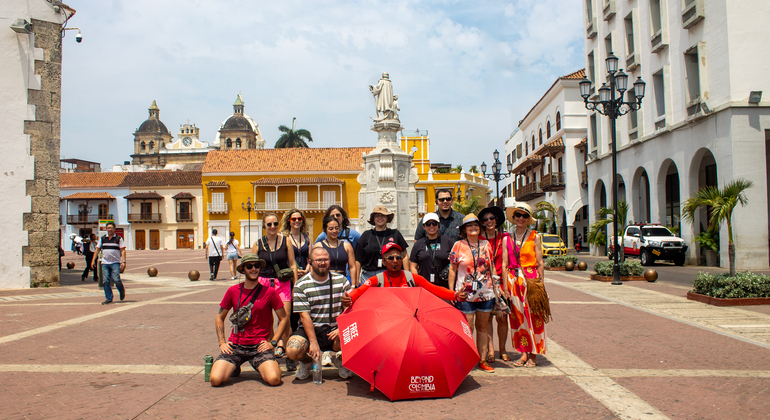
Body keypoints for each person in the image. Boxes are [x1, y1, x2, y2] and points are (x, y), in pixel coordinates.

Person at [210, 254, 289, 387]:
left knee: (274, 379)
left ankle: (267, 364)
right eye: (249, 266)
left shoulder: (269, 292)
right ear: (242, 269)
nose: (253, 269)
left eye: (256, 266)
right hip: (236, 345)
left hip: (259, 346)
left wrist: (273, 342)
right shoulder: (233, 291)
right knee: (215, 380)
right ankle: (235, 365)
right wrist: (222, 342)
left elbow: (284, 318)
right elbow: (220, 316)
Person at [286, 247, 353, 380]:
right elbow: (304, 316)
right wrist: (313, 342)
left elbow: (349, 309)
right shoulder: (301, 285)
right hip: (312, 328)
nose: (322, 263)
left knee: (353, 337)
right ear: (310, 261)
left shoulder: (342, 281)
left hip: (334, 328)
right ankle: (306, 362)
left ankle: (342, 360)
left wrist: (341, 328)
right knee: (292, 350)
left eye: (325, 260)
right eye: (318, 260)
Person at [448, 214, 497, 373]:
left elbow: (492, 268)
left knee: (482, 327)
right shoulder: (458, 245)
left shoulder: (486, 244)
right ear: (464, 229)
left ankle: (482, 360)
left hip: (485, 293)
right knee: (467, 328)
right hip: (465, 294)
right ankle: (466, 360)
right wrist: (451, 293)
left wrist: (497, 287)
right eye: (469, 226)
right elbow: (452, 270)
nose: (473, 228)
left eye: (476, 225)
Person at [347, 242, 465, 304]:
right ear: (383, 262)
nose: (395, 261)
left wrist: (454, 295)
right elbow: (360, 290)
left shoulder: (412, 278)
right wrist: (349, 298)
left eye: (398, 257)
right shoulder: (377, 280)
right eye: (390, 258)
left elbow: (434, 289)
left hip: (408, 319)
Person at [506, 203, 547, 368]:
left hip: (531, 280)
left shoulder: (535, 237)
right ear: (514, 218)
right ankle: (523, 353)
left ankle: (534, 354)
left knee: (533, 316)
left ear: (528, 219)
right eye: (518, 215)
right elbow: (504, 263)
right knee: (517, 317)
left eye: (524, 216)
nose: (520, 218)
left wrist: (541, 286)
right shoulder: (507, 238)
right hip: (513, 281)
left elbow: (540, 263)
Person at [253, 213, 297, 359]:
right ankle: (270, 351)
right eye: (269, 224)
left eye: (275, 223)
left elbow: (292, 264)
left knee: (285, 319)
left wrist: (295, 285)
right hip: (263, 284)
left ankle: (290, 354)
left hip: (283, 283)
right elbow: (253, 267)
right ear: (264, 226)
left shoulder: (286, 241)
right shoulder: (257, 244)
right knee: (268, 321)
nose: (273, 227)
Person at [478, 206, 511, 363]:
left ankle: (503, 349)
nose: (489, 221)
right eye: (485, 219)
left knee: (502, 317)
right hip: (485, 282)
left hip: (502, 282)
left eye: (491, 218)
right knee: (487, 318)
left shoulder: (505, 238)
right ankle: (491, 350)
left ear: (496, 220)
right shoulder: (479, 238)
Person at [280, 208, 310, 371]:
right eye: (294, 219)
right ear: (288, 221)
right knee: (289, 316)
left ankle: (303, 347)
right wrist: (293, 271)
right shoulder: (285, 238)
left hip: (305, 280)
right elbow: (285, 259)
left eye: (299, 219)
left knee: (304, 313)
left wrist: (307, 268)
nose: (297, 221)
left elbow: (310, 257)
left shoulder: (307, 238)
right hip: (290, 281)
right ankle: (288, 352)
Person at [354, 206, 409, 285]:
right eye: (377, 216)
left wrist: (407, 276)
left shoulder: (395, 234)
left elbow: (404, 256)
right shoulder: (366, 235)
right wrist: (356, 280)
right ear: (373, 219)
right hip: (368, 276)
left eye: (383, 215)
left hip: (391, 275)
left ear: (387, 218)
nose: (380, 218)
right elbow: (358, 259)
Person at [409, 213, 454, 289]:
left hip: (443, 286)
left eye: (434, 223)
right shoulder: (418, 244)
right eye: (428, 224)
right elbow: (413, 267)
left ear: (438, 225)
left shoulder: (448, 242)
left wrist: (451, 288)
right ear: (423, 226)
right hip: (424, 287)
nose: (431, 226)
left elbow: (454, 265)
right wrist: (417, 283)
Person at [314, 215, 357, 285]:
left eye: (336, 228)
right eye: (331, 229)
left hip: (342, 281)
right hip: (324, 281)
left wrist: (353, 285)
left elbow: (352, 267)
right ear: (325, 230)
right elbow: (313, 266)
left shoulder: (347, 246)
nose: (334, 231)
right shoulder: (319, 246)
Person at [91, 222, 126, 305]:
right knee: (105, 281)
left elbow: (123, 250)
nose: (109, 229)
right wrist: (93, 260)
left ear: (114, 229)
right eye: (108, 228)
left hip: (115, 262)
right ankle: (108, 298)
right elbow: (97, 249)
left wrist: (123, 261)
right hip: (105, 263)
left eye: (111, 228)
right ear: (106, 229)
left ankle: (121, 290)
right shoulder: (103, 239)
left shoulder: (118, 238)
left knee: (116, 279)